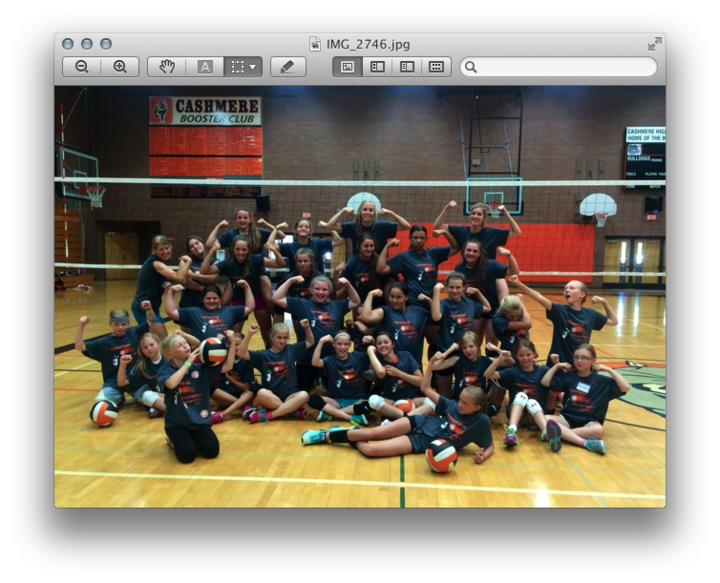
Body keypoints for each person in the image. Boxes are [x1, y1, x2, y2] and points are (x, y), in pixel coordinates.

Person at [301, 352, 495, 468]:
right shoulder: (451, 405)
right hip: (419, 422)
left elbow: (490, 446)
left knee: (370, 449)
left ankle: (352, 434)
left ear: (477, 407)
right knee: (373, 433)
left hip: (420, 442)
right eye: (460, 400)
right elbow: (426, 388)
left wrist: (483, 456)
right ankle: (326, 435)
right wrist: (431, 365)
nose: (459, 404)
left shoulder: (481, 422)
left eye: (464, 403)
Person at [534, 343, 631, 455]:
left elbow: (625, 387)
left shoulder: (602, 381)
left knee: (599, 430)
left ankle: (559, 435)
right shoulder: (570, 376)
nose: (579, 361)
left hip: (589, 422)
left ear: (593, 360)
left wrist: (609, 370)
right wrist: (556, 366)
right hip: (567, 419)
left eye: (584, 358)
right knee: (545, 418)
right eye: (576, 357)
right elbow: (545, 382)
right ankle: (584, 442)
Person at [157, 329, 236, 464]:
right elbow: (171, 384)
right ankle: (173, 441)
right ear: (169, 355)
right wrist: (188, 363)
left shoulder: (199, 368)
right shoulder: (165, 370)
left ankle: (191, 439)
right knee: (187, 457)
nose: (185, 346)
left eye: (185, 343)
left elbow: (228, 366)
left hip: (199, 421)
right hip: (176, 423)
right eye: (180, 345)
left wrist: (232, 343)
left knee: (212, 451)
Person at [273, 275, 361, 392]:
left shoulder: (337, 306)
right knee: (300, 392)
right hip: (306, 358)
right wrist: (290, 280)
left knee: (337, 393)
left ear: (329, 292)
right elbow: (276, 298)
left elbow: (356, 301)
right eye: (317, 289)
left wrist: (348, 285)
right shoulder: (301, 304)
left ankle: (321, 380)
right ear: (311, 290)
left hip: (330, 359)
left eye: (324, 289)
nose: (321, 292)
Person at [75, 302, 165, 415]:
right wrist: (81, 326)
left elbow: (151, 321)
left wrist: (149, 309)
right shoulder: (104, 342)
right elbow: (80, 347)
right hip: (113, 382)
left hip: (136, 380)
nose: (120, 327)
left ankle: (154, 406)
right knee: (100, 408)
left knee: (152, 399)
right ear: (110, 324)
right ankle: (118, 398)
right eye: (116, 324)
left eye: (123, 324)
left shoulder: (134, 333)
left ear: (128, 323)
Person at [205, 209, 287, 333]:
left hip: (257, 272)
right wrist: (218, 226)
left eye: (245, 218)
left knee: (269, 299)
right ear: (235, 220)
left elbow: (281, 236)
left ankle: (277, 328)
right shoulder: (230, 234)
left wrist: (267, 224)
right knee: (225, 301)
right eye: (239, 217)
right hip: (236, 273)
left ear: (250, 219)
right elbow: (209, 244)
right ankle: (222, 328)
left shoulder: (258, 232)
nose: (242, 220)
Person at [200, 234, 285, 345]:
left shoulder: (256, 259)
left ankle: (269, 353)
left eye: (244, 249)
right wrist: (212, 251)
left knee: (266, 333)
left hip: (257, 298)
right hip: (239, 300)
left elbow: (281, 264)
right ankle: (234, 355)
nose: (241, 252)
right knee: (235, 335)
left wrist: (274, 250)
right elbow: (204, 271)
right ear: (233, 249)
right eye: (238, 249)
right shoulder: (228, 263)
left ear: (249, 250)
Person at [483, 339, 557, 446]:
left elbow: (561, 382)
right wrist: (500, 358)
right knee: (522, 396)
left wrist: (557, 364)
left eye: (528, 354)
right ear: (516, 356)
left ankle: (546, 432)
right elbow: (487, 375)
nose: (525, 358)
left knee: (531, 402)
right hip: (516, 415)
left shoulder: (543, 371)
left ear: (535, 354)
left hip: (534, 417)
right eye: (521, 355)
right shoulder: (513, 371)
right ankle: (512, 431)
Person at [237, 321, 314, 424]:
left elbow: (310, 342)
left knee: (304, 395)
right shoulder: (263, 355)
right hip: (271, 397)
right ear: (271, 337)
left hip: (291, 397)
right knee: (261, 393)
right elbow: (241, 353)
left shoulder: (292, 350)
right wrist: (249, 333)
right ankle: (292, 411)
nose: (282, 341)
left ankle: (270, 415)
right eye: (279, 337)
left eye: (285, 338)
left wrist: (307, 328)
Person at [425, 275, 490, 397]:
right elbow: (436, 317)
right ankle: (445, 409)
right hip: (446, 352)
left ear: (464, 287)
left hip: (466, 353)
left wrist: (477, 292)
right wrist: (436, 291)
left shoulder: (469, 303)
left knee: (467, 392)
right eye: (451, 287)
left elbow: (487, 308)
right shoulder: (443, 304)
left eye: (458, 287)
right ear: (447, 287)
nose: (454, 290)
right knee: (444, 394)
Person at [453, 239, 519, 351]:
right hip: (477, 309)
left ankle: (491, 361)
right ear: (463, 251)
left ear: (480, 253)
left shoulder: (491, 265)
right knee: (474, 341)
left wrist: (509, 255)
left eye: (475, 251)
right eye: (468, 250)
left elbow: (514, 271)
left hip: (493, 309)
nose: (471, 253)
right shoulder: (459, 268)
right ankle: (477, 362)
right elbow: (461, 290)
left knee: (491, 342)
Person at [130, 235, 193, 339]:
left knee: (154, 341)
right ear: (154, 249)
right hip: (144, 309)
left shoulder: (157, 262)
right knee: (163, 341)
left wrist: (164, 283)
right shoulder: (155, 263)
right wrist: (189, 261)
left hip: (151, 308)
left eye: (167, 248)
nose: (165, 251)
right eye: (161, 249)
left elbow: (151, 279)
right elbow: (178, 277)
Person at [307, 331, 373, 425]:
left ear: (350, 345)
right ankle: (351, 416)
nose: (342, 347)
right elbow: (315, 362)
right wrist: (321, 341)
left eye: (346, 344)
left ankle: (330, 413)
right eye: (339, 344)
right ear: (333, 344)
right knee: (311, 399)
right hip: (336, 401)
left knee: (372, 404)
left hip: (356, 401)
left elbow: (375, 352)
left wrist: (373, 341)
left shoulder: (357, 357)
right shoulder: (330, 360)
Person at [431, 331, 512, 406]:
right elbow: (434, 366)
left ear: (478, 346)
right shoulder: (457, 360)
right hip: (458, 402)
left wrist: (497, 349)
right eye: (464, 347)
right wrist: (450, 350)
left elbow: (511, 362)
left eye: (471, 346)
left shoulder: (485, 361)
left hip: (477, 404)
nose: (468, 350)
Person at [360, 282, 430, 368]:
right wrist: (370, 294)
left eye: (398, 297)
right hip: (391, 366)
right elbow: (366, 317)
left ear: (406, 297)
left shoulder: (418, 312)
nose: (394, 300)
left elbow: (437, 316)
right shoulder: (386, 312)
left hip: (414, 366)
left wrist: (429, 300)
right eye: (392, 296)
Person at [433, 200, 521, 260]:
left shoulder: (491, 232)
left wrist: (505, 212)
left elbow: (516, 232)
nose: (475, 216)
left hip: (488, 272)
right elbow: (438, 226)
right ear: (470, 216)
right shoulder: (461, 231)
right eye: (473, 213)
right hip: (468, 272)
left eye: (479, 214)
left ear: (484, 218)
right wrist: (447, 208)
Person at [365, 332, 426, 418]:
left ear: (393, 344)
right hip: (391, 400)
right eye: (379, 343)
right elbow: (380, 373)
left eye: (386, 342)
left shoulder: (406, 355)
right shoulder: (379, 363)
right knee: (373, 400)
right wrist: (370, 351)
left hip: (412, 398)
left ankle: (401, 417)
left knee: (435, 403)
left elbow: (421, 381)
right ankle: (409, 417)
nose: (383, 345)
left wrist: (399, 373)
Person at [165, 283, 254, 341]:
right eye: (208, 298)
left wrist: (246, 287)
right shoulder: (194, 312)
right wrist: (171, 291)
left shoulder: (230, 311)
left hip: (225, 354)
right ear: (203, 299)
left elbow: (250, 307)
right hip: (200, 354)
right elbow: (171, 312)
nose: (211, 301)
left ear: (220, 299)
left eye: (215, 298)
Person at [323, 199, 410, 254]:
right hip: (359, 266)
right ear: (360, 212)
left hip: (378, 266)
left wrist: (390, 212)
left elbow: (406, 226)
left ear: (374, 213)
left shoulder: (382, 225)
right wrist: (343, 210)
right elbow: (330, 226)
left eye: (371, 210)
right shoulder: (353, 226)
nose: (367, 212)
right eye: (364, 209)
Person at [334, 232, 386, 318]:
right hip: (359, 303)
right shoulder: (352, 263)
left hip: (377, 303)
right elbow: (338, 287)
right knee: (358, 323)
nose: (369, 249)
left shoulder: (379, 260)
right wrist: (336, 271)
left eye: (372, 246)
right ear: (359, 246)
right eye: (366, 246)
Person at [116, 331, 168, 418]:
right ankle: (172, 411)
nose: (149, 348)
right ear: (142, 350)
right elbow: (122, 382)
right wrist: (122, 365)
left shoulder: (169, 356)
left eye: (152, 345)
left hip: (179, 393)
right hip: (162, 397)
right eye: (145, 347)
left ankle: (164, 410)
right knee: (146, 395)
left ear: (158, 343)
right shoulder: (143, 366)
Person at [176, 235, 220, 331]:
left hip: (208, 304)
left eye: (197, 243)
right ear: (190, 250)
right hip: (188, 302)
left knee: (208, 333)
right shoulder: (185, 261)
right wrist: (204, 289)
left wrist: (191, 275)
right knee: (187, 336)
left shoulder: (215, 261)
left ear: (203, 243)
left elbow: (212, 279)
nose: (195, 247)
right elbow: (185, 282)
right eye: (191, 246)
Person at [272, 247, 323, 328]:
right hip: (297, 307)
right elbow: (278, 294)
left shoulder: (319, 277)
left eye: (305, 261)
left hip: (314, 306)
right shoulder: (290, 277)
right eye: (299, 261)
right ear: (296, 262)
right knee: (278, 306)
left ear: (311, 261)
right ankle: (276, 331)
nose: (302, 264)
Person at [276, 218, 343, 273]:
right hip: (297, 282)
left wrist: (327, 226)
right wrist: (277, 228)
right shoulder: (290, 247)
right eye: (300, 227)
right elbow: (271, 245)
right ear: (296, 230)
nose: (303, 228)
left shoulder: (318, 243)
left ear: (310, 231)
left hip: (316, 282)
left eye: (307, 227)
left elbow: (338, 241)